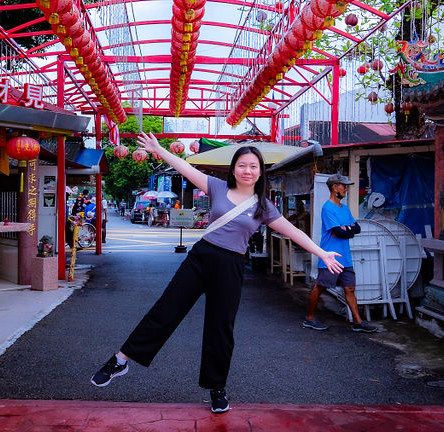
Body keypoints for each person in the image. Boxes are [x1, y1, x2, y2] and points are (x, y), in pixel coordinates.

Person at [91, 131, 344, 414]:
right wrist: (159, 150)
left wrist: (321, 253)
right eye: (242, 165)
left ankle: (217, 387)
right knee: (167, 308)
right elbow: (184, 167)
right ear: (233, 169)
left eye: (253, 166)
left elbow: (293, 231)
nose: (247, 170)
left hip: (231, 266)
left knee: (220, 327)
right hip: (202, 257)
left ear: (260, 172)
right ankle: (121, 360)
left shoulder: (264, 206)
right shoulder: (217, 187)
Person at [302, 173, 379, 333]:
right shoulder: (327, 208)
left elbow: (357, 228)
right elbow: (339, 232)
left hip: (345, 257)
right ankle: (309, 318)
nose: (346, 189)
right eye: (344, 186)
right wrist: (346, 230)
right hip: (330, 257)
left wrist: (346, 229)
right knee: (320, 287)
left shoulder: (344, 208)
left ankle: (358, 322)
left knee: (349, 288)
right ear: (334, 187)